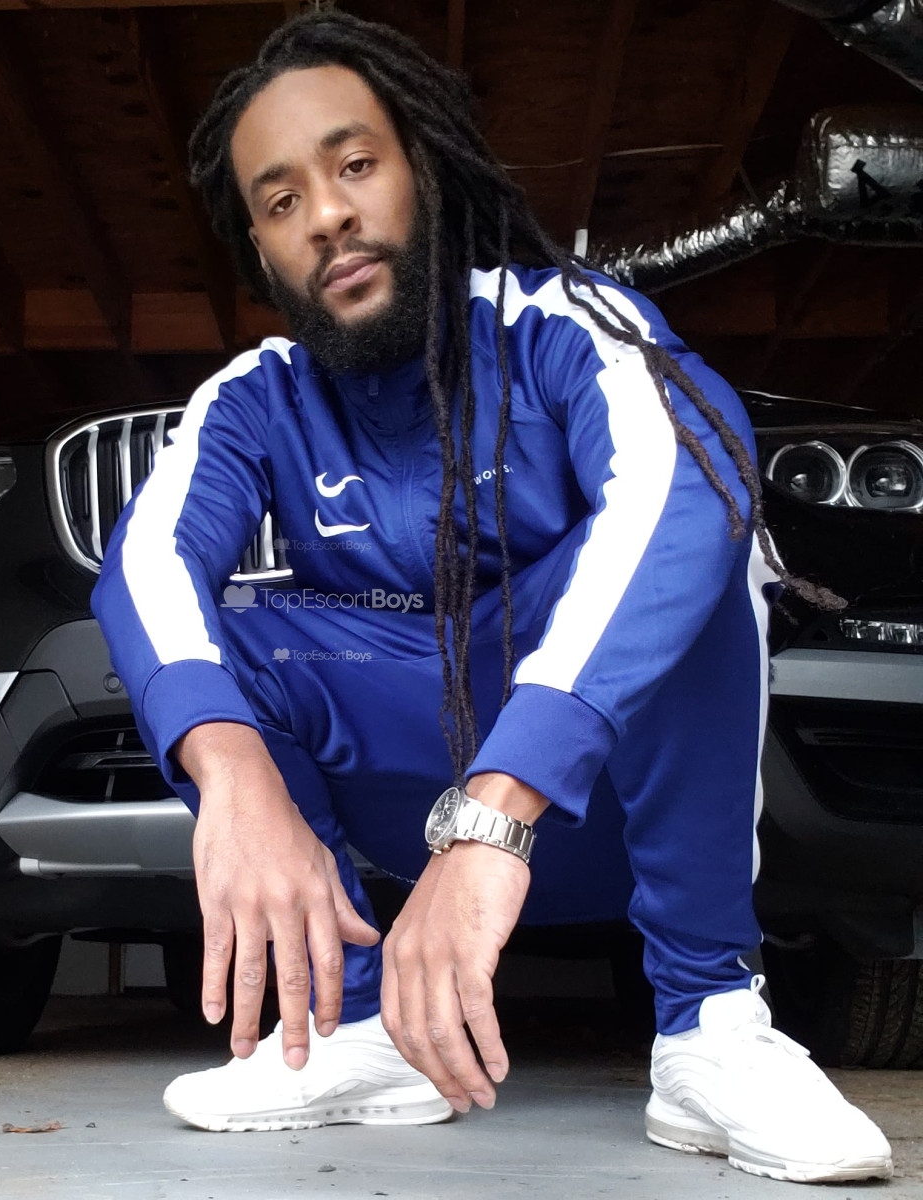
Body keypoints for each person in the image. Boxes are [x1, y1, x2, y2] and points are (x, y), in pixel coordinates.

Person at [91, 10, 893, 1184]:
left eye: (355, 164)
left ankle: (710, 1026)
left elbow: (687, 481)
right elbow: (144, 564)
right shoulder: (255, 397)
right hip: (413, 818)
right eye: (281, 201)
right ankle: (359, 1029)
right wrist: (230, 771)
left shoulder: (560, 322)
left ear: (422, 169)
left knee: (692, 535)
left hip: (593, 810)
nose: (327, 216)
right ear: (261, 252)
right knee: (230, 643)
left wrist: (498, 807)